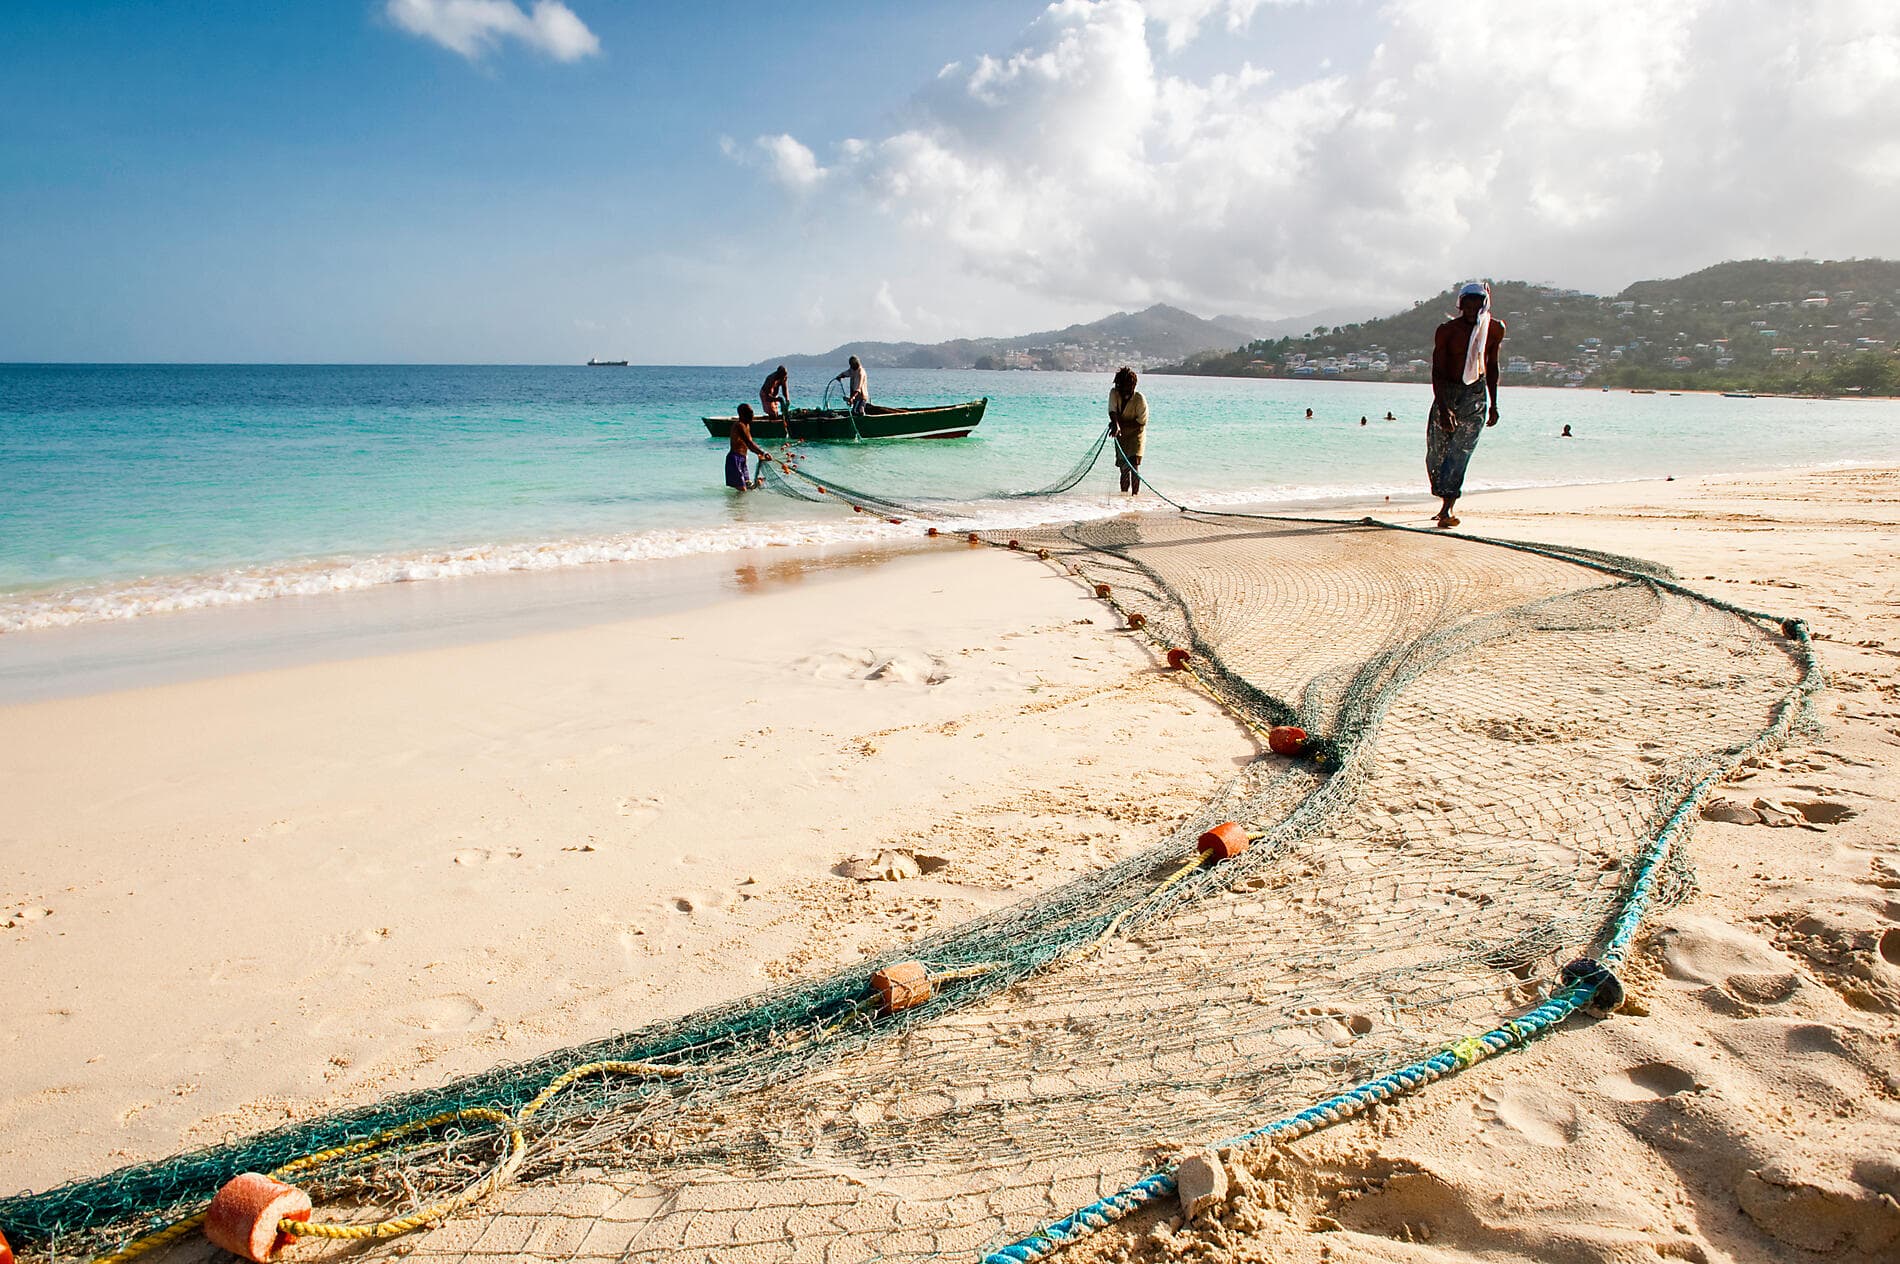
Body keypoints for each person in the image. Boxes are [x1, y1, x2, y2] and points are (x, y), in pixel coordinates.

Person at [1426, 280, 1506, 528]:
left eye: (1477, 303)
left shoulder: (1494, 329)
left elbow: (1491, 366)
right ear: (1460, 305)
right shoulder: (1447, 330)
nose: (1471, 309)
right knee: (1436, 452)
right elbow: (1437, 371)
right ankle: (1443, 497)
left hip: (1476, 395)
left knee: (1461, 451)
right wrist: (1444, 407)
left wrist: (1493, 404)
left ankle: (1448, 507)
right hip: (1447, 392)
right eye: (1467, 304)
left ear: (1483, 305)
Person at [1108, 365, 1148, 494]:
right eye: (1121, 386)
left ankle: (1135, 496)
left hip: (1136, 435)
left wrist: (1119, 424)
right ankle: (1124, 499)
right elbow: (1112, 411)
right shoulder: (1114, 393)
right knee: (1124, 468)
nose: (1124, 390)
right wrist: (1115, 424)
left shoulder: (1139, 398)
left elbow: (1141, 422)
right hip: (1121, 436)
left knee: (1134, 465)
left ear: (1133, 386)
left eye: (1128, 387)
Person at [726, 403, 770, 491]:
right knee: (742, 489)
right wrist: (763, 453)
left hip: (743, 459)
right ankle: (736, 504)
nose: (752, 415)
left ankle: (741, 504)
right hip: (735, 459)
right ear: (742, 414)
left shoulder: (747, 425)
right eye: (749, 413)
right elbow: (749, 443)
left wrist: (759, 454)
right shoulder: (739, 425)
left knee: (748, 487)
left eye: (752, 413)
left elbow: (749, 444)